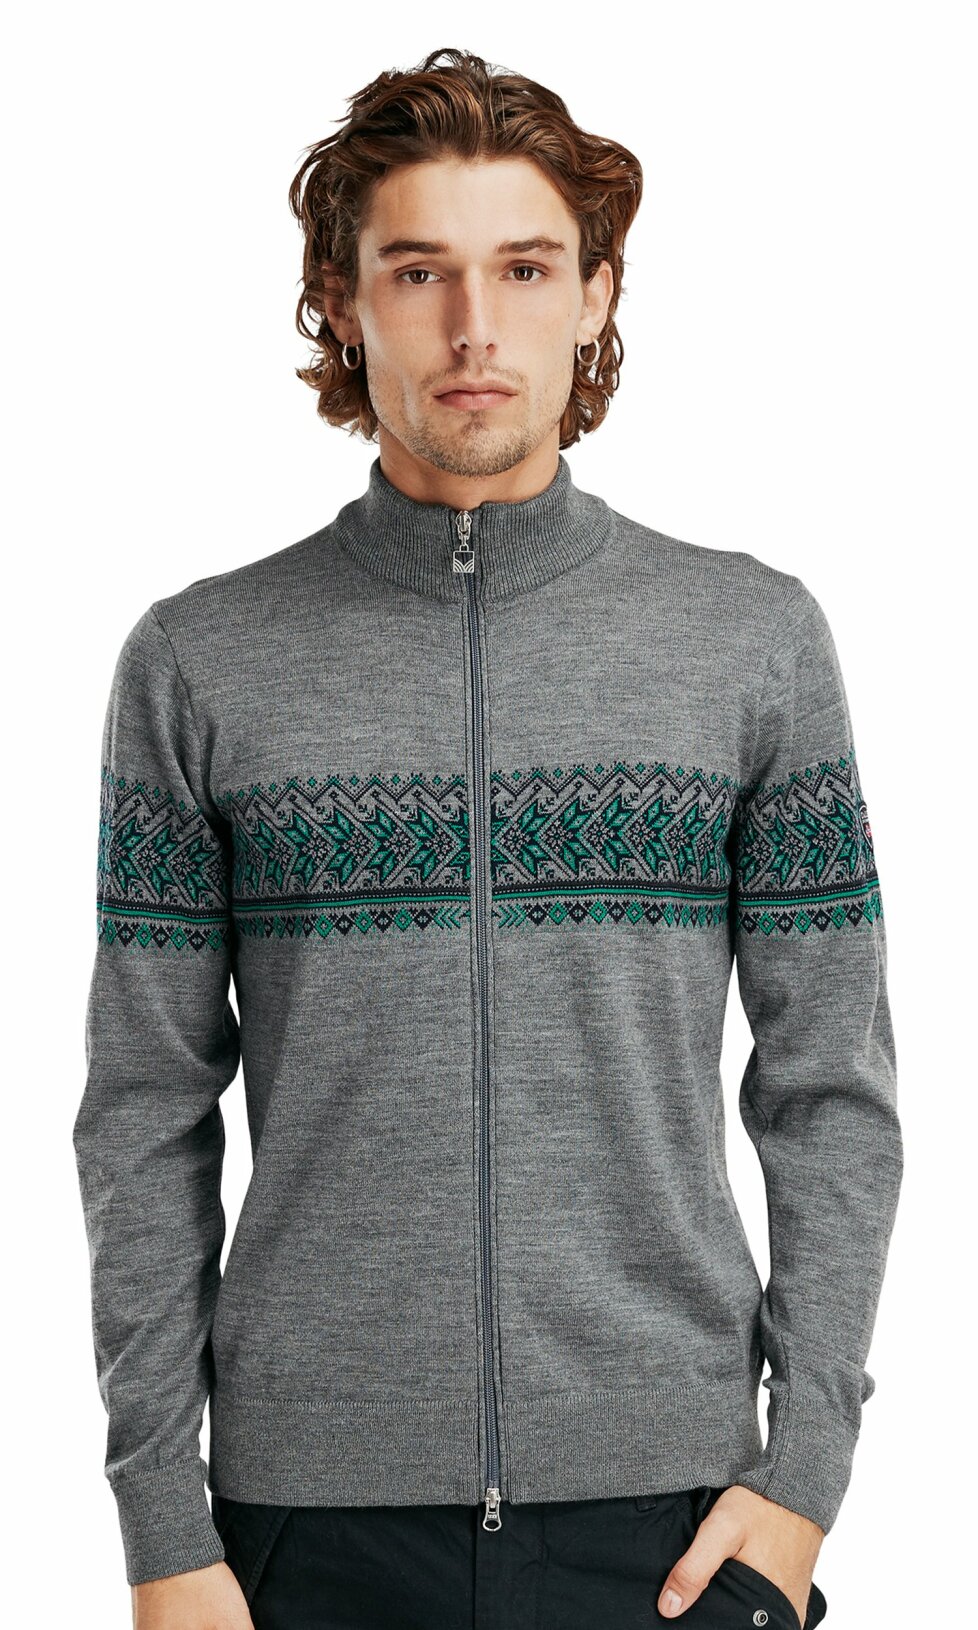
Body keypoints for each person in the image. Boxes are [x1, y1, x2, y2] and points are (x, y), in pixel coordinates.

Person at [73, 44, 903, 1630]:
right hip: (299, 1533)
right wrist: (162, 1527)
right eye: (418, 271)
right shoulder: (199, 663)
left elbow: (831, 1095)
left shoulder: (751, 641)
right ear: (342, 302)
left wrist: (801, 1477)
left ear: (594, 296)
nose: (474, 325)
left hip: (670, 1524)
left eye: (523, 269)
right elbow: (142, 1116)